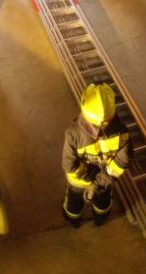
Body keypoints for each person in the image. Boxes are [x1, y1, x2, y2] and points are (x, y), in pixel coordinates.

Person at [62, 83, 131, 227]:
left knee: (74, 205)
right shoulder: (123, 133)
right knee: (103, 203)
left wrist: (90, 180)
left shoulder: (73, 133)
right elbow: (120, 164)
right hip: (104, 182)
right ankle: (100, 221)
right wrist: (97, 183)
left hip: (78, 182)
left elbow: (69, 165)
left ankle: (73, 222)